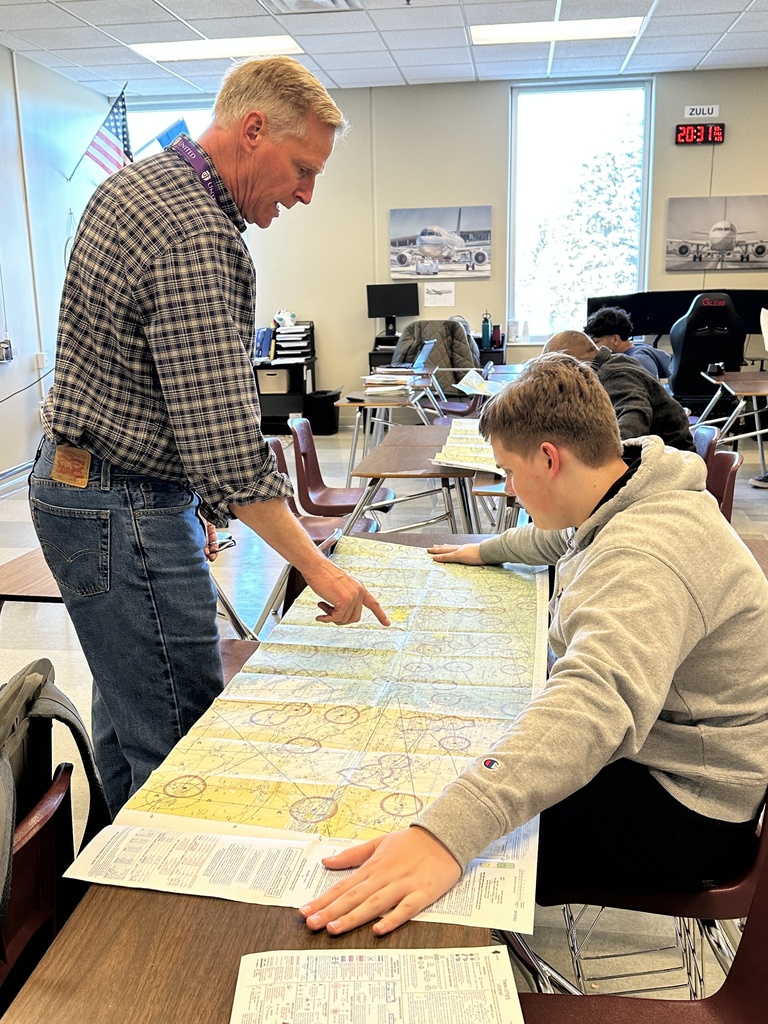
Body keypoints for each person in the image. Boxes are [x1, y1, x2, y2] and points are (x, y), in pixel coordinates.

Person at [29, 57, 388, 817]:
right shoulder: (195, 233)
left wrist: (195, 494)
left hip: (84, 486)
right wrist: (321, 572)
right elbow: (228, 448)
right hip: (120, 502)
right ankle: (159, 925)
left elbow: (154, 389)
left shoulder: (136, 186)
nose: (305, 193)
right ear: (252, 130)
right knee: (183, 745)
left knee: (132, 724)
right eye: (301, 168)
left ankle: (109, 904)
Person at [300, 353, 768, 938]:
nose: (511, 491)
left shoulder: (646, 553)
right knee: (462, 772)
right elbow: (564, 533)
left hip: (689, 805)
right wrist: (485, 549)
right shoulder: (632, 483)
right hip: (671, 758)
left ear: (550, 458)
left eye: (509, 473)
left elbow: (594, 704)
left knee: (447, 849)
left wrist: (445, 834)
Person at [543, 330, 694, 451]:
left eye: (558, 374)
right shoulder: (611, 364)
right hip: (662, 455)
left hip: (671, 463)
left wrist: (603, 454)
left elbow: (634, 417)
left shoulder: (613, 375)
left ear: (574, 364)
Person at [584, 305, 672, 380]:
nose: (594, 347)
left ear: (615, 340)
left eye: (596, 342)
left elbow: (651, 394)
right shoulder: (634, 350)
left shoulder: (639, 360)